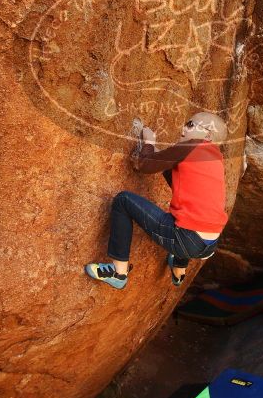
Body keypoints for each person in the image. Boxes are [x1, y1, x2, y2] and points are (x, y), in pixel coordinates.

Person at [85, 112, 228, 289]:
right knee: (187, 218)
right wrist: (158, 156)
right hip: (209, 245)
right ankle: (179, 269)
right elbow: (176, 179)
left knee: (123, 201)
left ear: (207, 135)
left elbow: (144, 165)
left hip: (186, 239)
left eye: (191, 124)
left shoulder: (192, 145)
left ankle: (118, 272)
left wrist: (149, 142)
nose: (184, 128)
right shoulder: (215, 159)